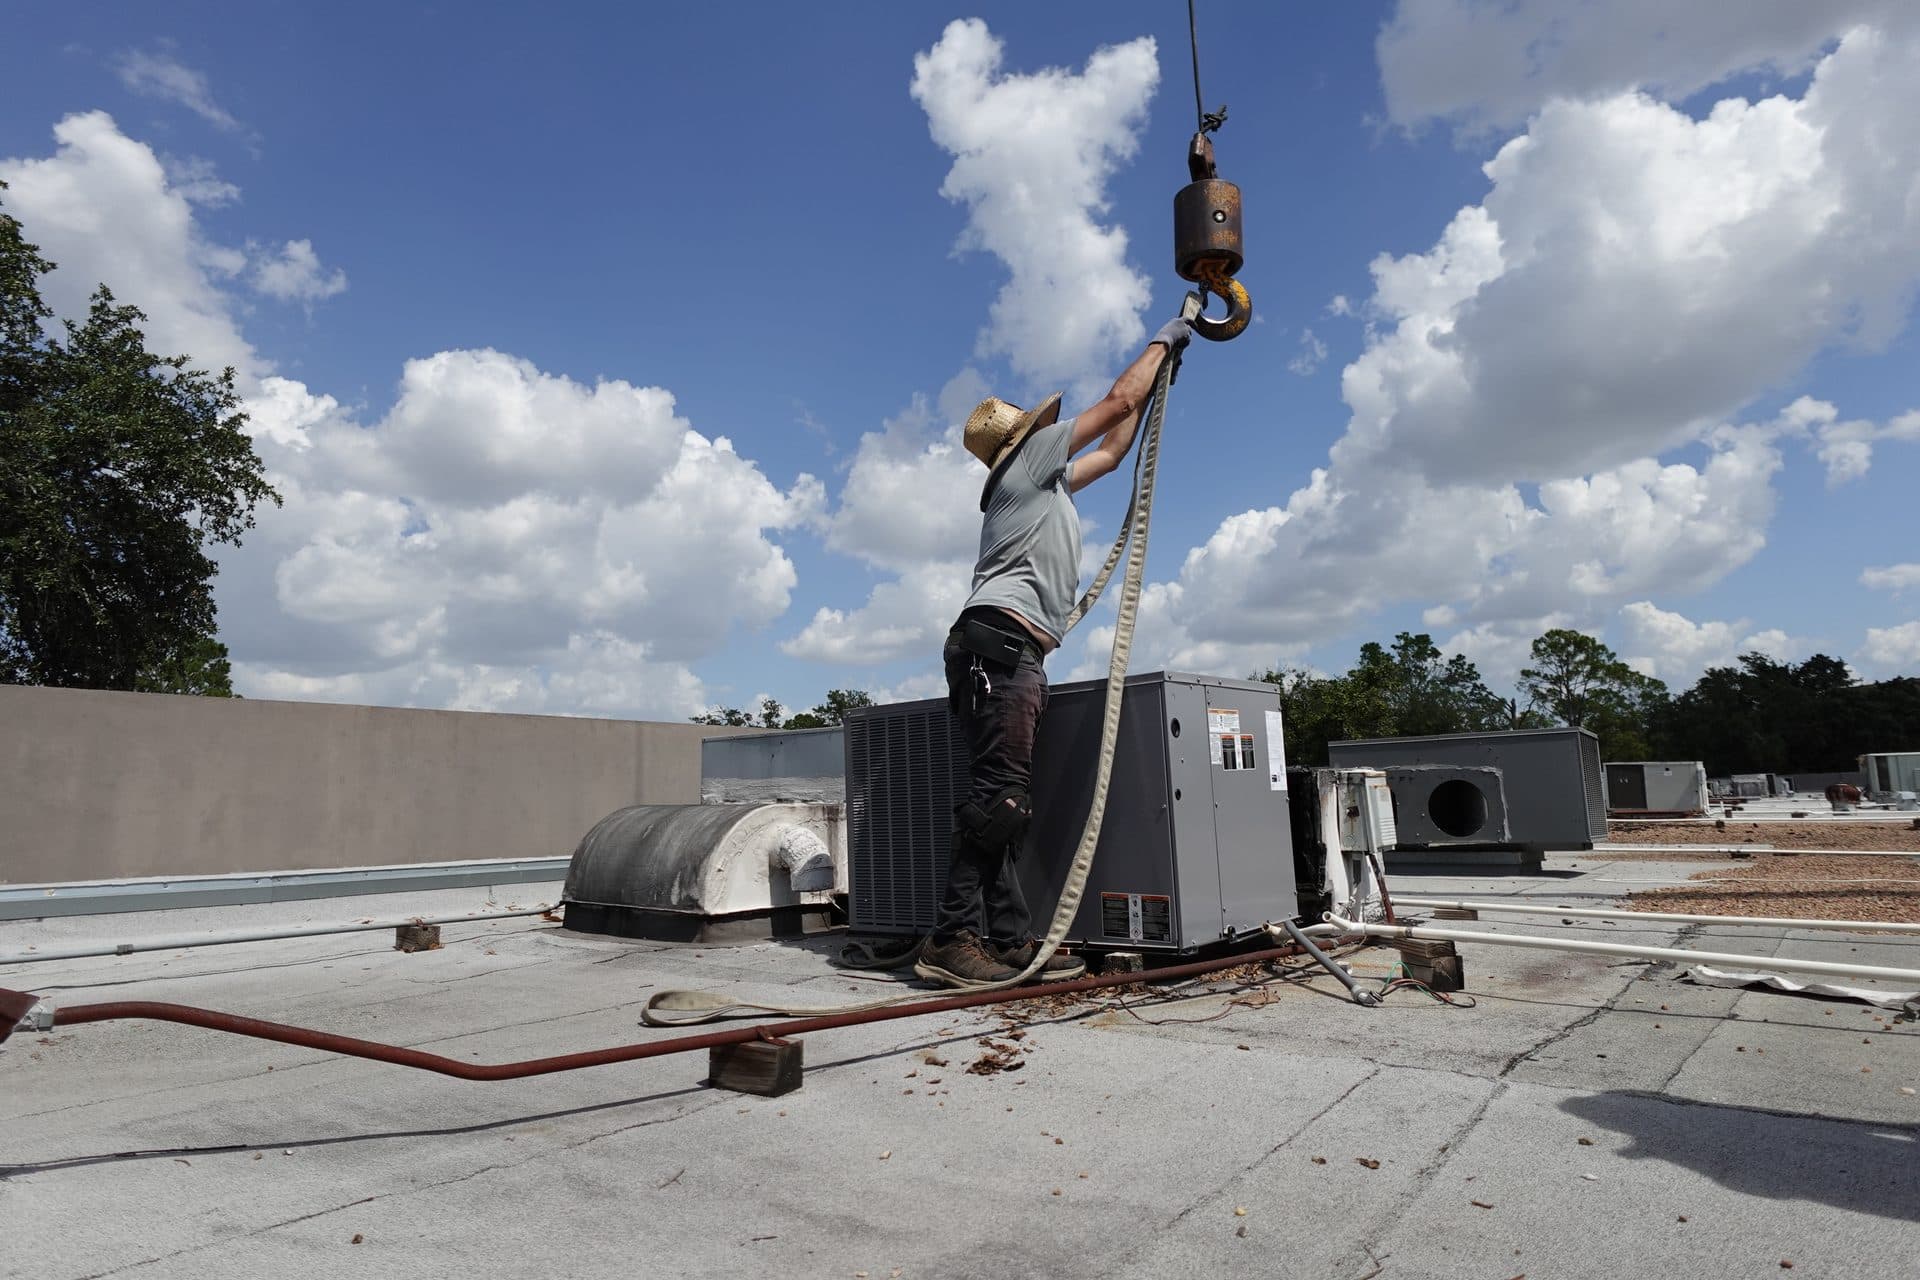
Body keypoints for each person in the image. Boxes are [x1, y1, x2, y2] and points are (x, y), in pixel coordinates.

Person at [914, 312, 1195, 989]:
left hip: (1008, 654)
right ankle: (950, 938)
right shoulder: (1026, 461)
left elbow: (1117, 448)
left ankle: (1009, 939)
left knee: (1004, 804)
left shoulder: (1049, 483)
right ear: (1023, 438)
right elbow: (1117, 403)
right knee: (999, 802)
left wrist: (1160, 381)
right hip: (999, 649)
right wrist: (1165, 338)